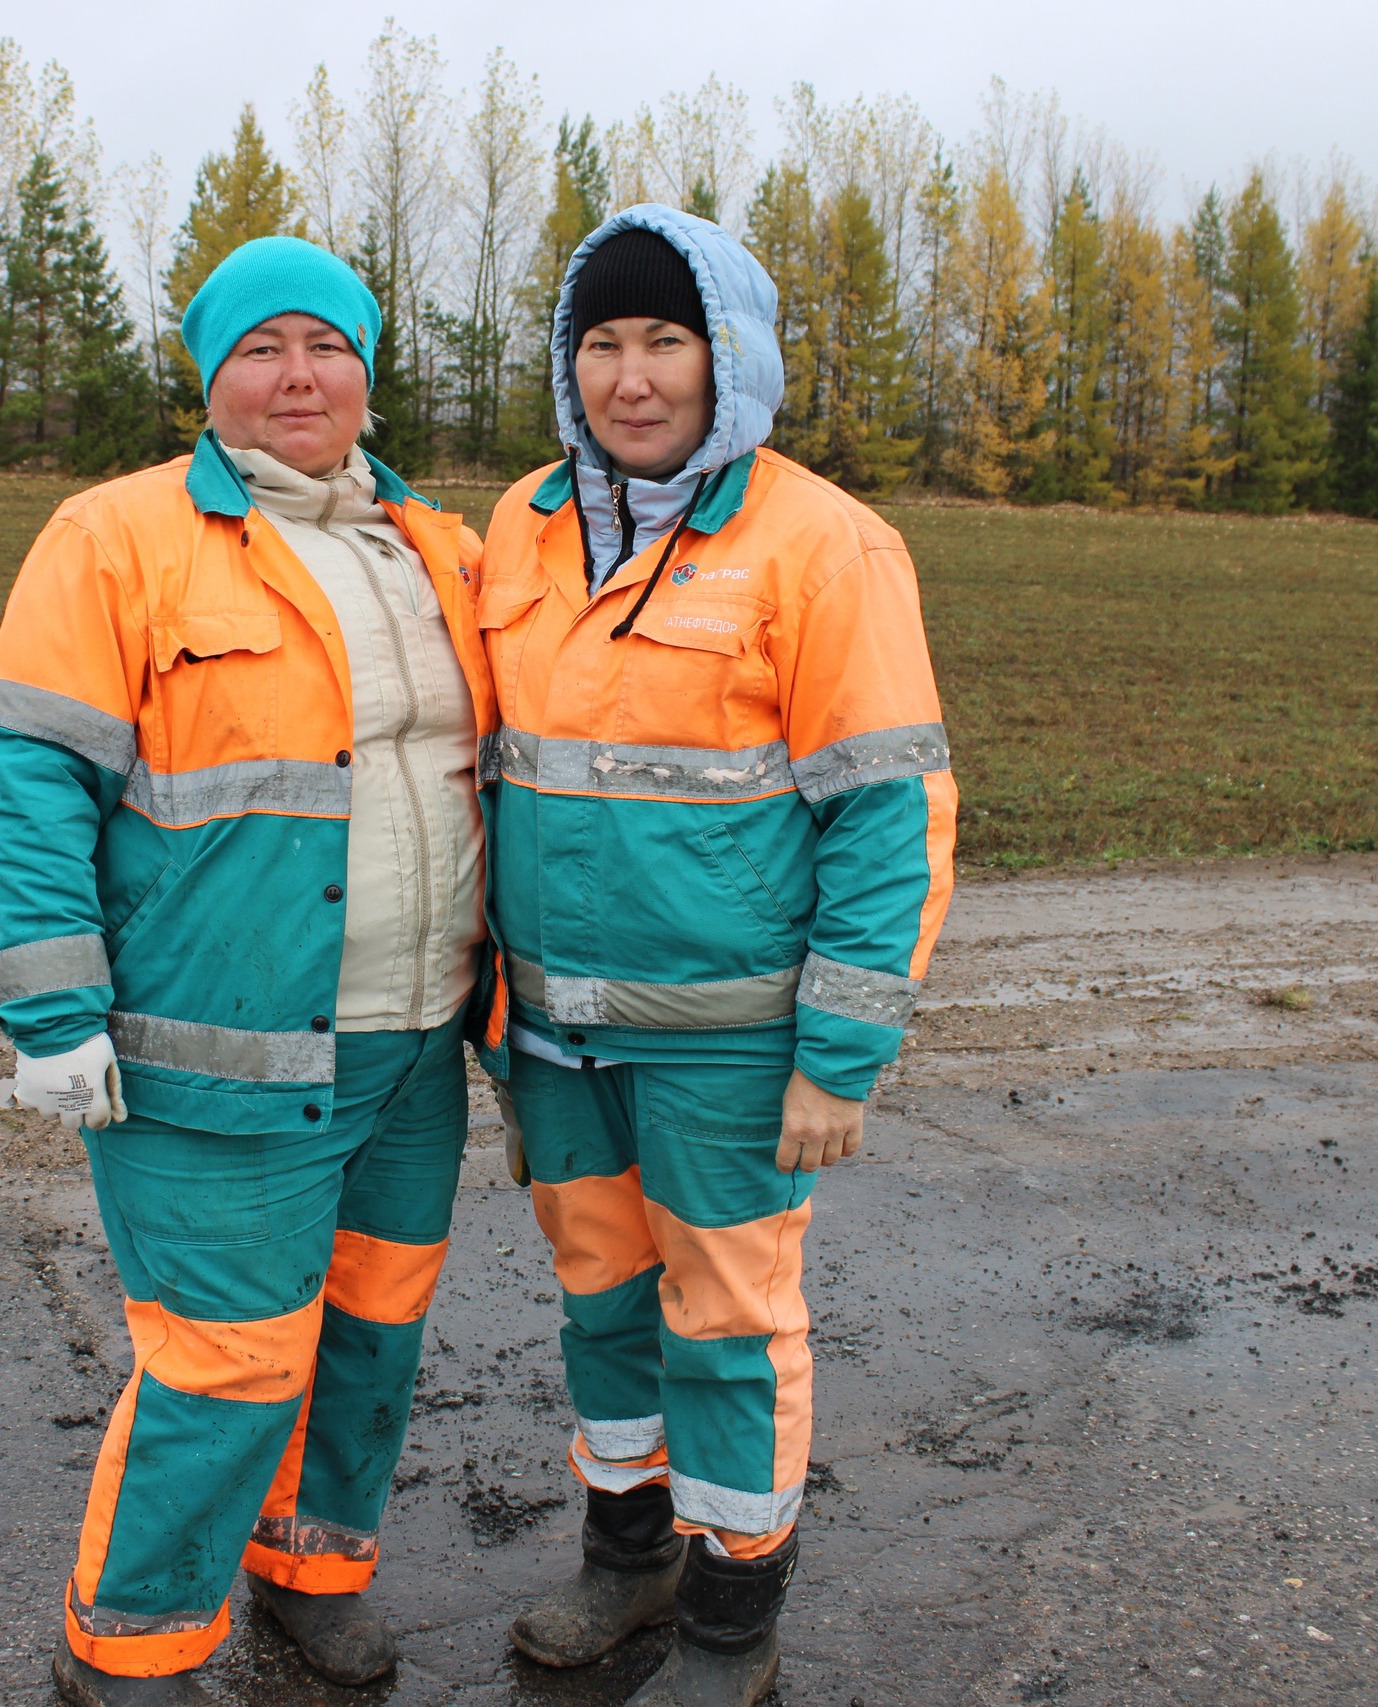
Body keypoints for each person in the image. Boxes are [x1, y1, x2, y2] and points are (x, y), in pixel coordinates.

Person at [0, 234, 496, 1707]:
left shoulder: (443, 551)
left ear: (369, 376)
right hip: (213, 1058)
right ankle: (129, 1646)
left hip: (410, 1046)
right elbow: (27, 781)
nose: (298, 376)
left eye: (327, 347)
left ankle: (311, 1570)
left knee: (371, 1334)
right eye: (261, 349)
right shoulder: (117, 539)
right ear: (211, 379)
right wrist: (53, 1011)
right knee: (227, 1361)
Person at [474, 208, 957, 1706]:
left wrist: (841, 1057)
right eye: (602, 343)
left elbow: (889, 818)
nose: (631, 377)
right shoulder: (523, 525)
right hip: (557, 1035)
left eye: (663, 341)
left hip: (733, 1044)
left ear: (725, 357)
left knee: (730, 1327)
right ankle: (628, 1563)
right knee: (603, 1304)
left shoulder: (823, 545)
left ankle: (731, 1632)